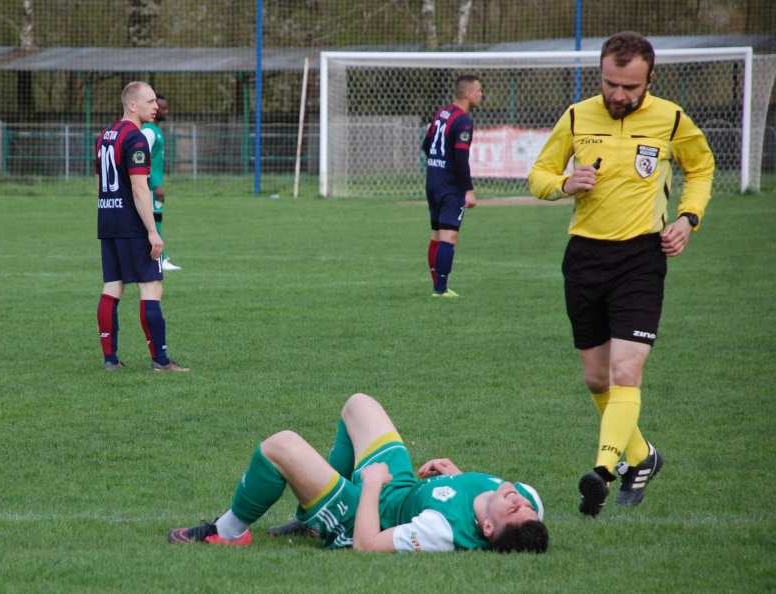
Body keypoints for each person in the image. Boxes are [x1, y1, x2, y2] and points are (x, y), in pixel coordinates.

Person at [527, 32, 714, 516]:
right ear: (601, 75)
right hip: (585, 258)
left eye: (629, 87)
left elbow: (702, 167)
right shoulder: (575, 116)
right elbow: (538, 175)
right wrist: (566, 182)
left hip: (641, 258)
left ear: (650, 79)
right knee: (596, 380)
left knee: (626, 370)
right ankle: (643, 456)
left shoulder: (671, 119)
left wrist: (688, 218)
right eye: (611, 84)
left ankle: (604, 472)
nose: (618, 95)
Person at [168, 392, 548, 553]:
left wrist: (370, 485)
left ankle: (229, 531)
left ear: (485, 530)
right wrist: (457, 477)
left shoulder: (440, 532)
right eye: (523, 504)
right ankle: (309, 519)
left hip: (364, 515)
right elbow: (513, 509)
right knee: (359, 404)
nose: (517, 500)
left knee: (280, 445)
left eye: (513, 509)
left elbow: (367, 545)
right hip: (401, 487)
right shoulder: (531, 503)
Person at [95, 81, 189, 373]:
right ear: (132, 105)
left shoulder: (104, 136)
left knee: (113, 286)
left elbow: (102, 181)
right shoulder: (135, 139)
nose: (156, 107)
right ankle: (160, 361)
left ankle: (110, 359)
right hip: (131, 223)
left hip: (107, 219)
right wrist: (152, 230)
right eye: (150, 102)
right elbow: (139, 188)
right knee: (151, 286)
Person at [421, 75, 483, 298]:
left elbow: (427, 145)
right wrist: (468, 190)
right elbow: (460, 158)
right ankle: (441, 289)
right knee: (449, 236)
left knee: (437, 234)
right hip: (449, 185)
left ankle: (437, 284)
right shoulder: (464, 120)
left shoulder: (442, 113)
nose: (480, 94)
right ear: (467, 94)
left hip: (433, 180)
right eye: (478, 90)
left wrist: (437, 166)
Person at [140, 94, 181, 272]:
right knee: (153, 221)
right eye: (162, 108)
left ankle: (155, 257)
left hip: (152, 184)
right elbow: (141, 159)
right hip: (148, 186)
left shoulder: (155, 130)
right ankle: (159, 259)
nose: (165, 111)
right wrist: (155, 185)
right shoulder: (148, 131)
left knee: (155, 220)